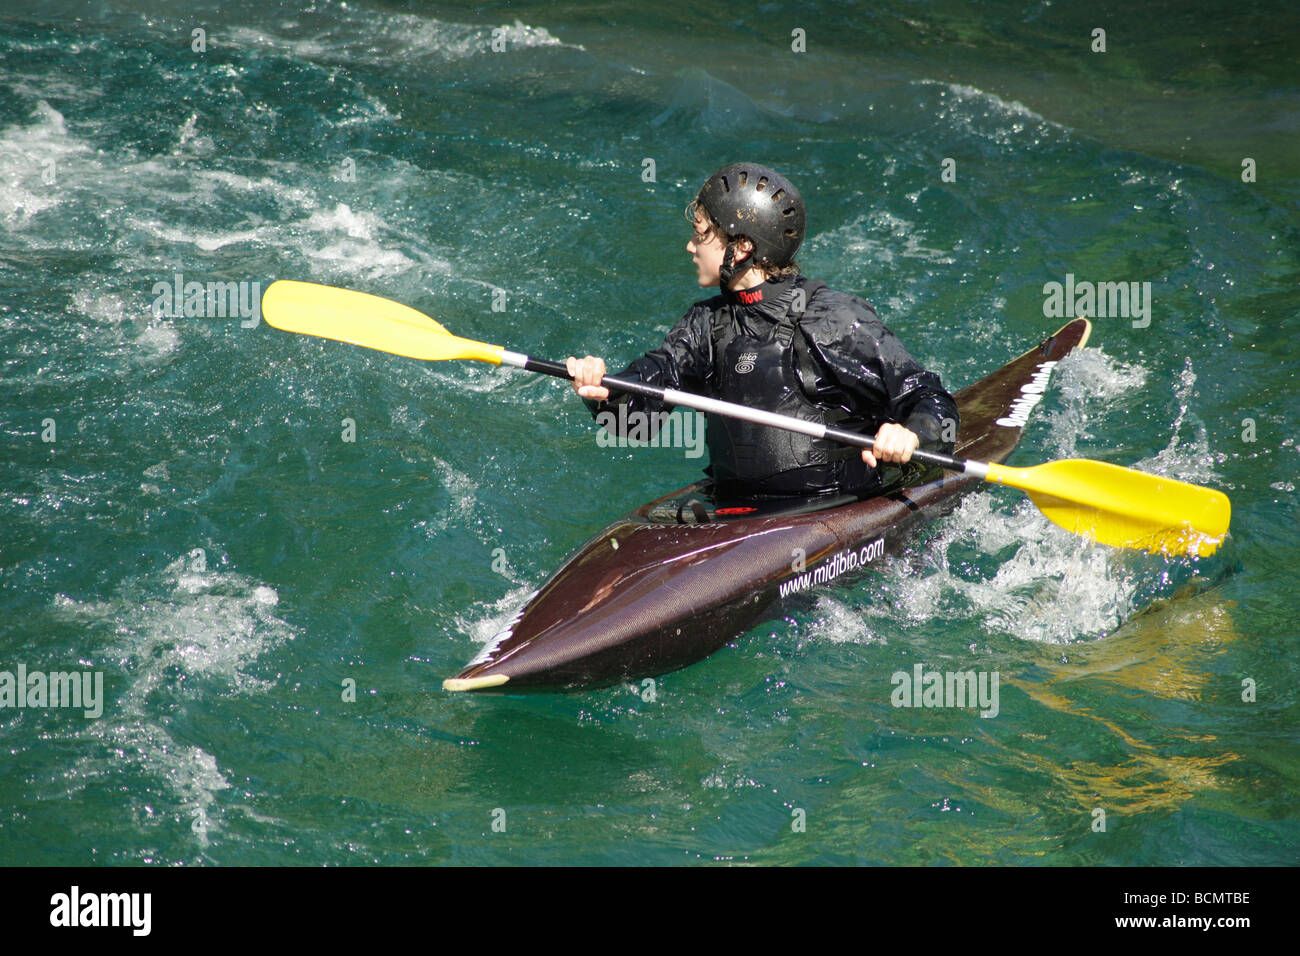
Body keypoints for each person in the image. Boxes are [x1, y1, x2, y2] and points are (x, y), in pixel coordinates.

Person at [567, 162, 958, 500]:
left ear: (740, 248)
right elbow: (637, 421)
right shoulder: (705, 325)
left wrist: (911, 435)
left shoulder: (831, 319)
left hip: (830, 506)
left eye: (701, 234)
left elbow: (931, 401)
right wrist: (607, 391)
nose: (690, 246)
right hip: (737, 508)